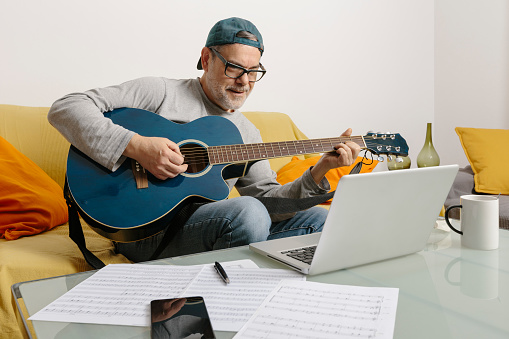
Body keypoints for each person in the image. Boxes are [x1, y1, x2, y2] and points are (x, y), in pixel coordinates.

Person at [48, 17, 361, 262]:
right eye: (235, 68)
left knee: (319, 219)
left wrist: (319, 171)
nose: (244, 82)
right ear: (207, 58)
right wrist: (137, 147)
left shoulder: (246, 132)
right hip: (143, 230)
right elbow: (67, 107)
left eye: (254, 72)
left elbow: (269, 203)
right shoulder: (160, 92)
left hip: (207, 227)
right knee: (247, 212)